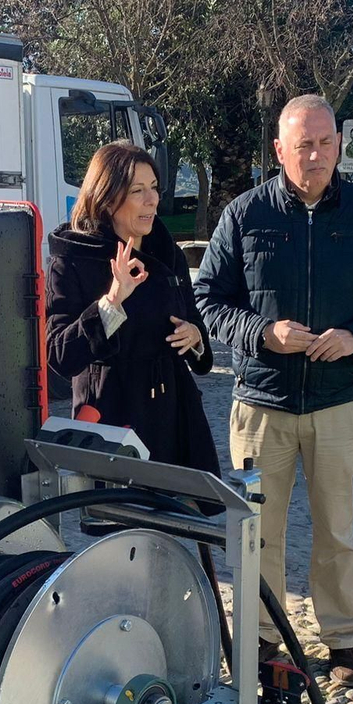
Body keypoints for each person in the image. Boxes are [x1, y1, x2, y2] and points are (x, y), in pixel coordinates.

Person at [195, 94, 353, 696]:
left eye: (324, 143)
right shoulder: (244, 214)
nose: (314, 156)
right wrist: (263, 333)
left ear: (338, 145)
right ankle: (263, 640)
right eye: (302, 145)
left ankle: (342, 639)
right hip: (261, 403)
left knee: (335, 529)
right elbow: (209, 301)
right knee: (257, 532)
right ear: (279, 150)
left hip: (337, 403)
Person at [45, 142, 217, 475]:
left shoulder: (167, 252)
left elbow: (196, 325)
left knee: (176, 519)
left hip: (171, 415)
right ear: (108, 199)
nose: (152, 200)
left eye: (154, 188)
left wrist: (195, 336)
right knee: (118, 522)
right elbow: (60, 355)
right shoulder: (72, 257)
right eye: (137, 190)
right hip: (110, 414)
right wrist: (111, 301)